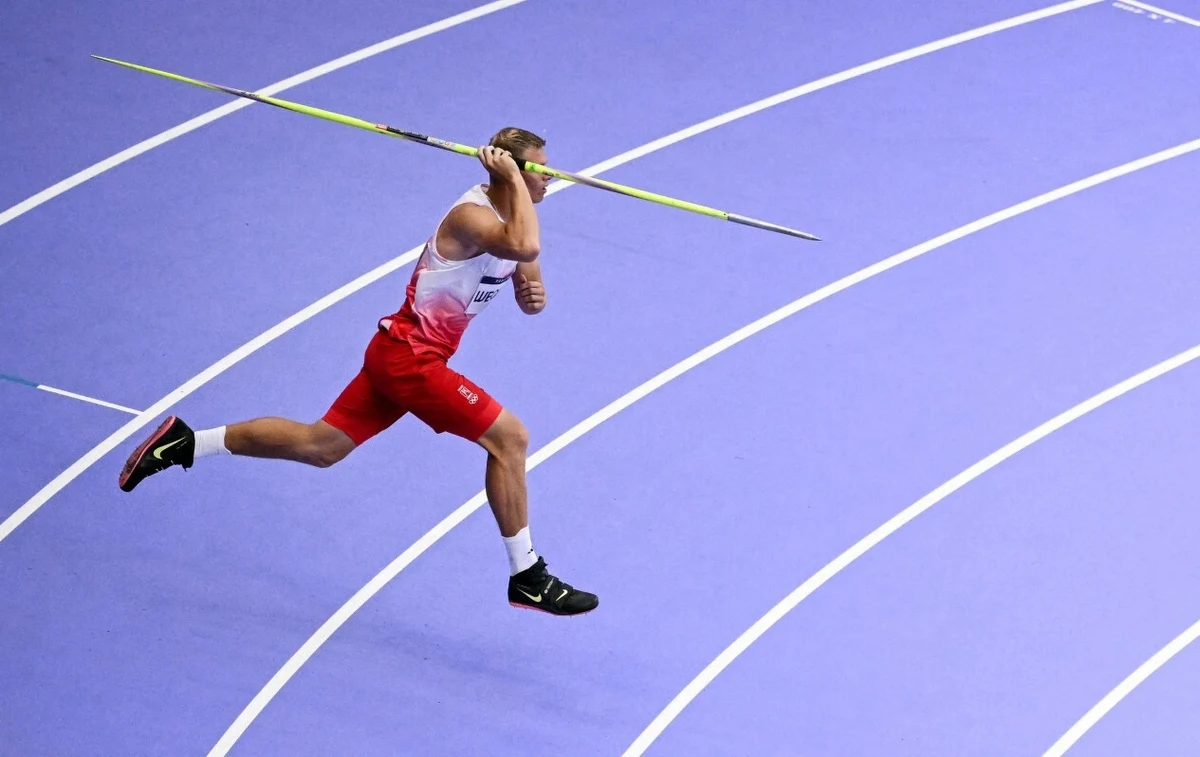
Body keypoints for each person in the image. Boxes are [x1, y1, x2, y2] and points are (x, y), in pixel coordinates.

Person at [118, 127, 598, 617]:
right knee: (510, 438)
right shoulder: (471, 217)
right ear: (509, 172)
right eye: (540, 169)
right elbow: (524, 247)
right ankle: (528, 576)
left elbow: (527, 269)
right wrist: (513, 185)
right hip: (413, 359)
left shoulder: (518, 216)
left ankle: (185, 442)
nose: (551, 177)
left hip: (396, 354)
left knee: (320, 447)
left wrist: (531, 296)